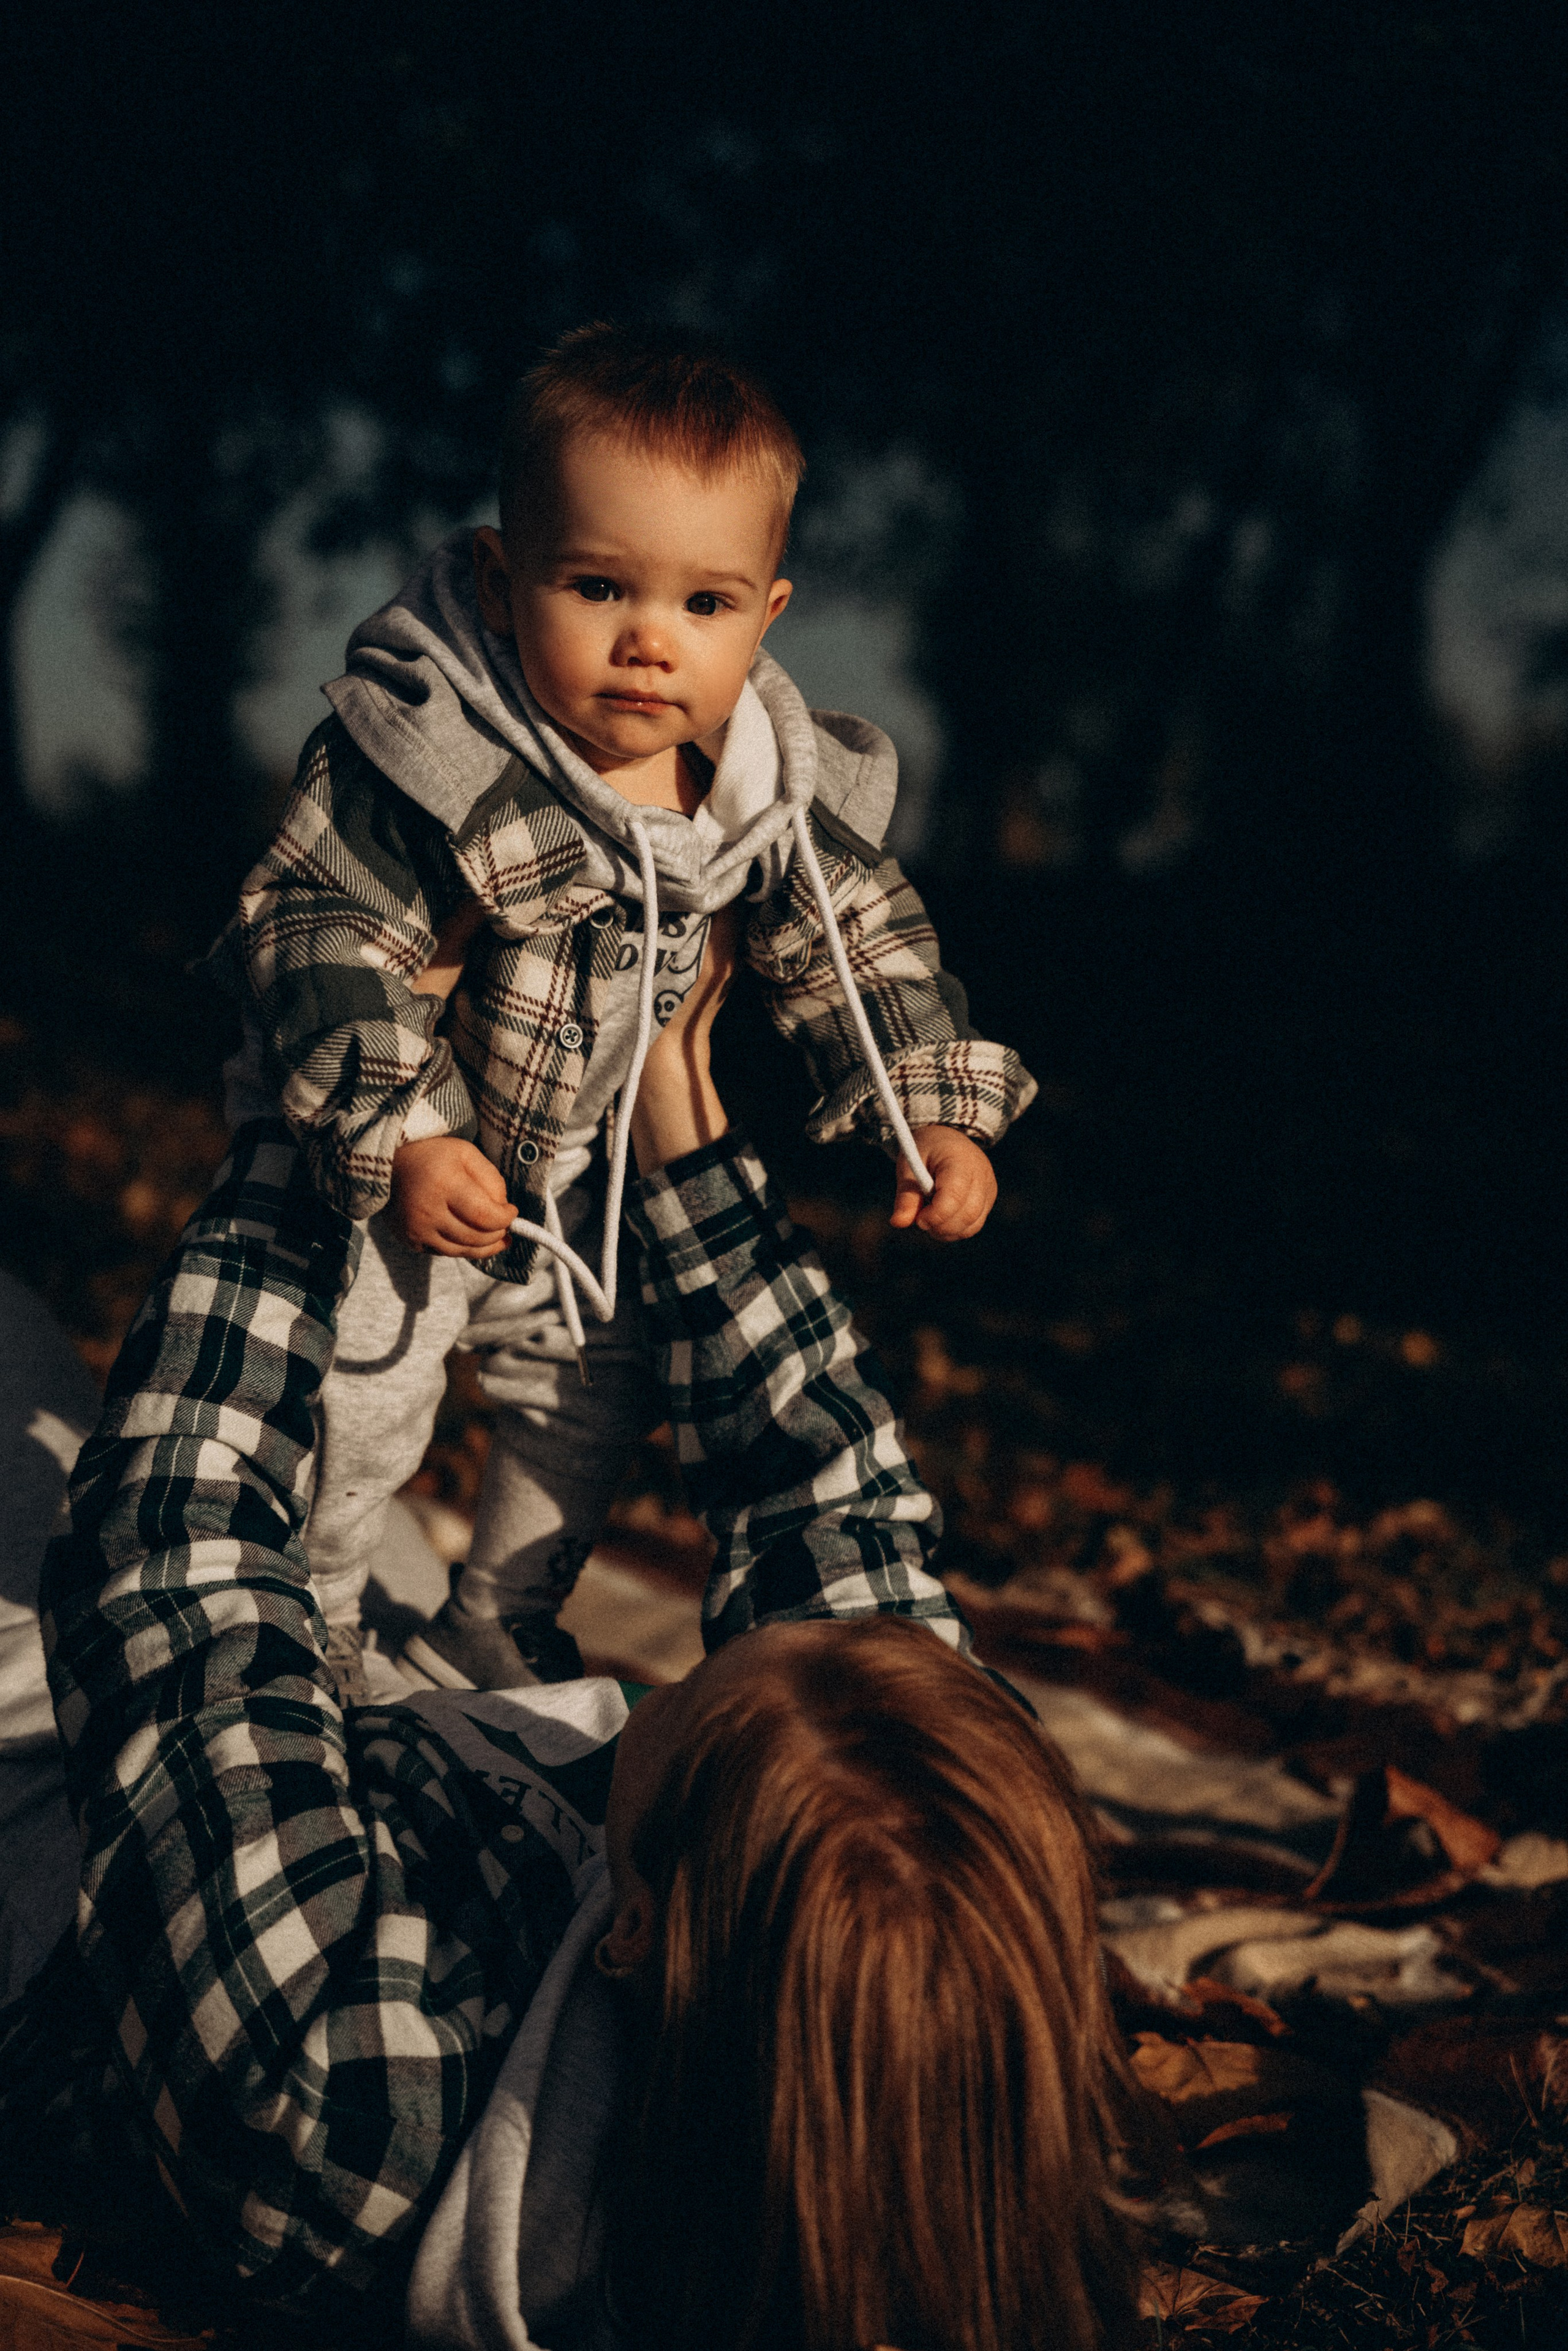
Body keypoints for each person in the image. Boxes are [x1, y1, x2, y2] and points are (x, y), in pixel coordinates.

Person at [3, 970, 1138, 2351]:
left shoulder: (344, 2112)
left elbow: (176, 1577)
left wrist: (331, 1118)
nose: (649, 1685)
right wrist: (678, 1106)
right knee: (368, 1466)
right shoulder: (947, 1937)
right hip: (405, 1748)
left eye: (666, 1705)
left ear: (635, 1926)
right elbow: (829, 1501)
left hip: (74, 1831)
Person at [205, 320, 1036, 1696]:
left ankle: (495, 1615)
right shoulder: (428, 747)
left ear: (767, 613)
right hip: (392, 1153)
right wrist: (404, 1129)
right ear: (500, 572)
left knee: (593, 1381)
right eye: (598, 586)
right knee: (369, 1381)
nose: (651, 644)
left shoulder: (757, 783)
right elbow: (312, 929)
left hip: (570, 1180)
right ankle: (323, 1612)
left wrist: (931, 1107)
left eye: (702, 606)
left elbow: (858, 946)